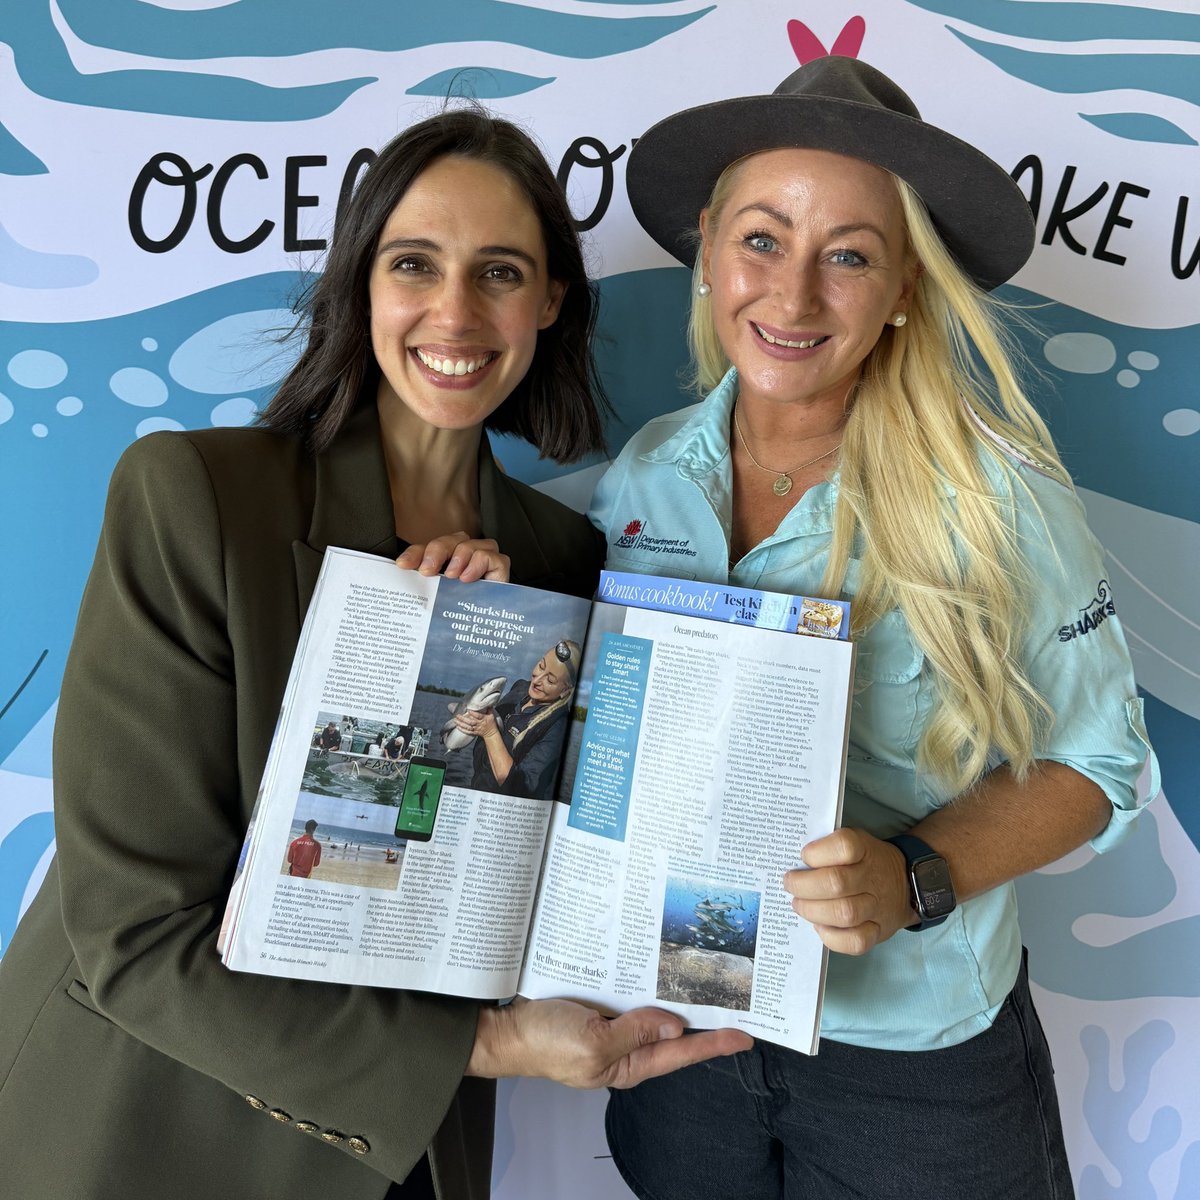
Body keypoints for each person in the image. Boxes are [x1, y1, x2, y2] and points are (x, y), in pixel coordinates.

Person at [0, 107, 749, 1200]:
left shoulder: (564, 559)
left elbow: (537, 875)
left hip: (398, 1150)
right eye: (415, 264)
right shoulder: (197, 497)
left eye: (500, 271)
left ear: (549, 303)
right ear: (361, 285)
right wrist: (384, 659)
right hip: (147, 1120)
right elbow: (135, 932)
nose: (455, 311)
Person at [590, 58, 1156, 1200]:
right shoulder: (647, 472)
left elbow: (1099, 764)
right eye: (761, 240)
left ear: (904, 287)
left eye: (848, 256)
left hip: (914, 1062)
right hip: (685, 1023)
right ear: (705, 249)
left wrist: (916, 876)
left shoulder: (999, 500)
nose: (793, 298)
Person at [454, 638, 580, 800]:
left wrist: (490, 733)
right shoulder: (520, 688)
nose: (537, 679)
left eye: (550, 680)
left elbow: (521, 788)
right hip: (476, 788)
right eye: (541, 666)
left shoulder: (557, 728)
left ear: (565, 690)